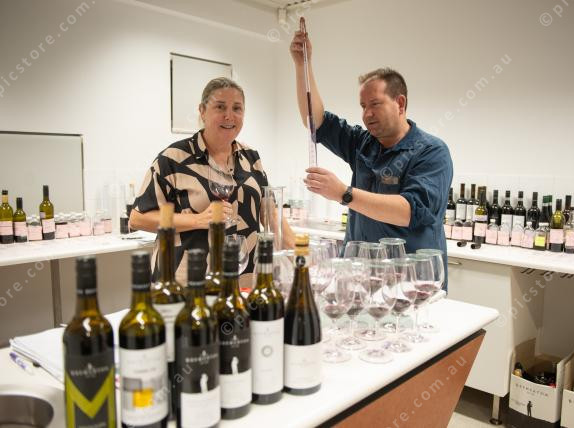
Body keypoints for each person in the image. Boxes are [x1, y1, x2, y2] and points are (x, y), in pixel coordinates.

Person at [290, 31, 453, 288]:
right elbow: (315, 121)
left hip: (411, 284)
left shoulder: (431, 152)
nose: (367, 114)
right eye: (363, 106)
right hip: (361, 279)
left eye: (375, 104)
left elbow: (409, 211)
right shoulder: (363, 143)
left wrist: (344, 194)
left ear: (400, 103)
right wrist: (303, 65)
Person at [130, 77, 294, 285]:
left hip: (243, 278)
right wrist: (198, 220)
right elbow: (138, 218)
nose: (229, 116)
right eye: (220, 107)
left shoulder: (251, 158)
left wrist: (301, 255)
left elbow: (271, 215)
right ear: (202, 111)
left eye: (237, 108)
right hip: (187, 282)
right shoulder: (173, 159)